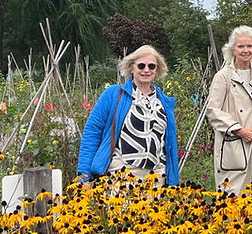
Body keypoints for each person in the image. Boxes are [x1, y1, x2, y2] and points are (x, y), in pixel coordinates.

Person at [76, 45, 179, 184]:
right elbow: (92, 132)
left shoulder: (164, 102)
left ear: (157, 69)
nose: (146, 70)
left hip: (156, 178)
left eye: (152, 66)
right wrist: (84, 175)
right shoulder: (114, 94)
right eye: (141, 66)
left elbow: (169, 145)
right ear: (131, 67)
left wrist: (172, 181)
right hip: (121, 176)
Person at [207, 25, 252, 197]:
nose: (245, 50)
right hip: (233, 145)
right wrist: (238, 129)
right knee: (233, 195)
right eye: (241, 46)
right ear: (233, 49)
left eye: (249, 46)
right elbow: (213, 110)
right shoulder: (223, 76)